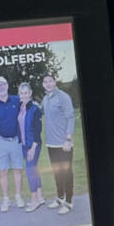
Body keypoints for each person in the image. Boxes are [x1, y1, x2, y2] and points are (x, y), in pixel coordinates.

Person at [0, 75, 25, 212]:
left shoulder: (17, 100)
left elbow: (25, 116)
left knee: (17, 170)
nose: (1, 87)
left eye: (3, 84)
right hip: (1, 142)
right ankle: (6, 199)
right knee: (3, 171)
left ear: (7, 85)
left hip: (16, 141)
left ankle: (18, 196)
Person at [41, 72, 76, 215]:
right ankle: (60, 197)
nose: (48, 83)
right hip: (51, 144)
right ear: (43, 84)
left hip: (64, 143)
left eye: (50, 81)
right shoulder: (45, 98)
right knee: (57, 172)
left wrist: (68, 139)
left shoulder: (63, 97)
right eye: (45, 81)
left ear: (55, 82)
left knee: (66, 173)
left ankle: (69, 202)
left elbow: (71, 118)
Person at [17, 82, 45, 212]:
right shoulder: (21, 107)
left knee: (29, 171)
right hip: (24, 145)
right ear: (19, 94)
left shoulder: (35, 109)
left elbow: (38, 131)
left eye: (26, 93)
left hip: (33, 145)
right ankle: (40, 197)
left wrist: (32, 148)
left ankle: (34, 201)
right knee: (34, 170)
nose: (24, 95)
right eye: (21, 93)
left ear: (30, 93)